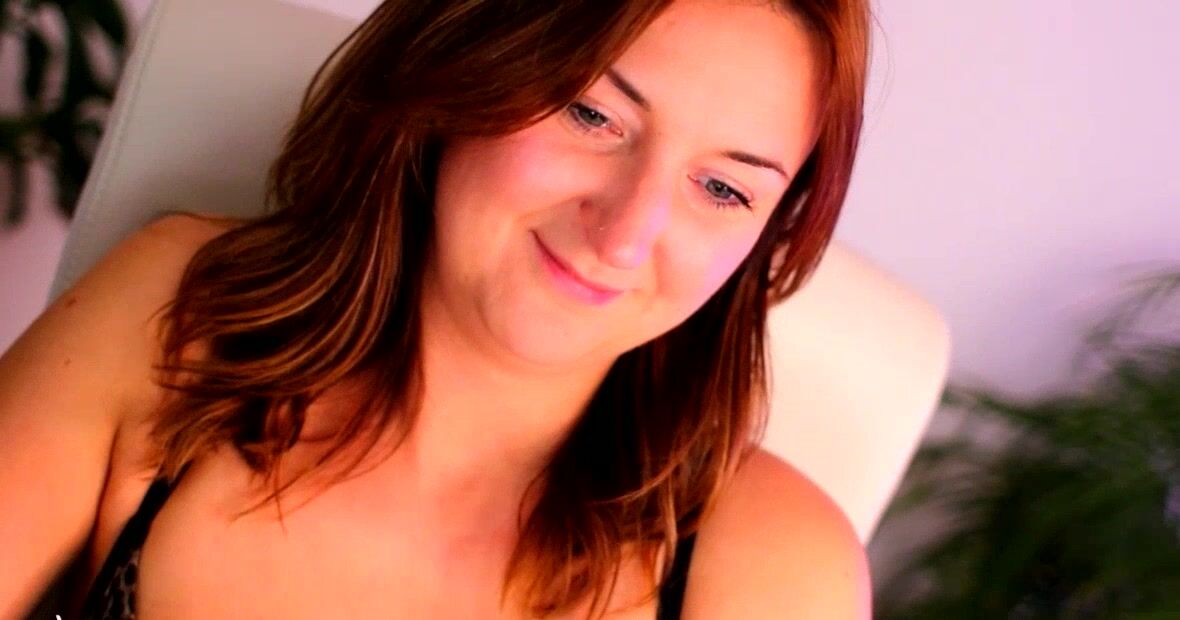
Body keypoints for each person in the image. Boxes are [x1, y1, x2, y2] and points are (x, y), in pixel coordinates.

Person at [0, 0, 872, 617]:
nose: (623, 234)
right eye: (591, 114)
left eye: (722, 188)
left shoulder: (776, 563)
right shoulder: (181, 312)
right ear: (467, 66)